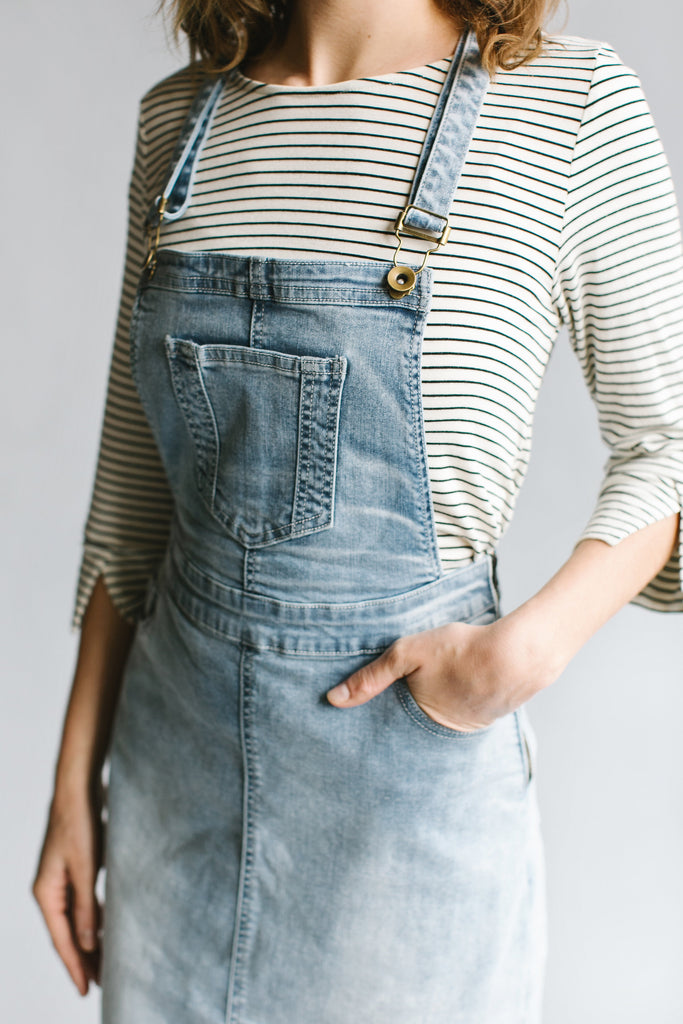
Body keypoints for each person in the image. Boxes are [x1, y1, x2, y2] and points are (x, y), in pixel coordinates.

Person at [32, 1, 683, 1021]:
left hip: (401, 788)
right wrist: (75, 787)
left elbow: (668, 448)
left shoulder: (567, 105)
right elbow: (133, 493)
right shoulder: (181, 120)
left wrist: (516, 659)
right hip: (170, 776)